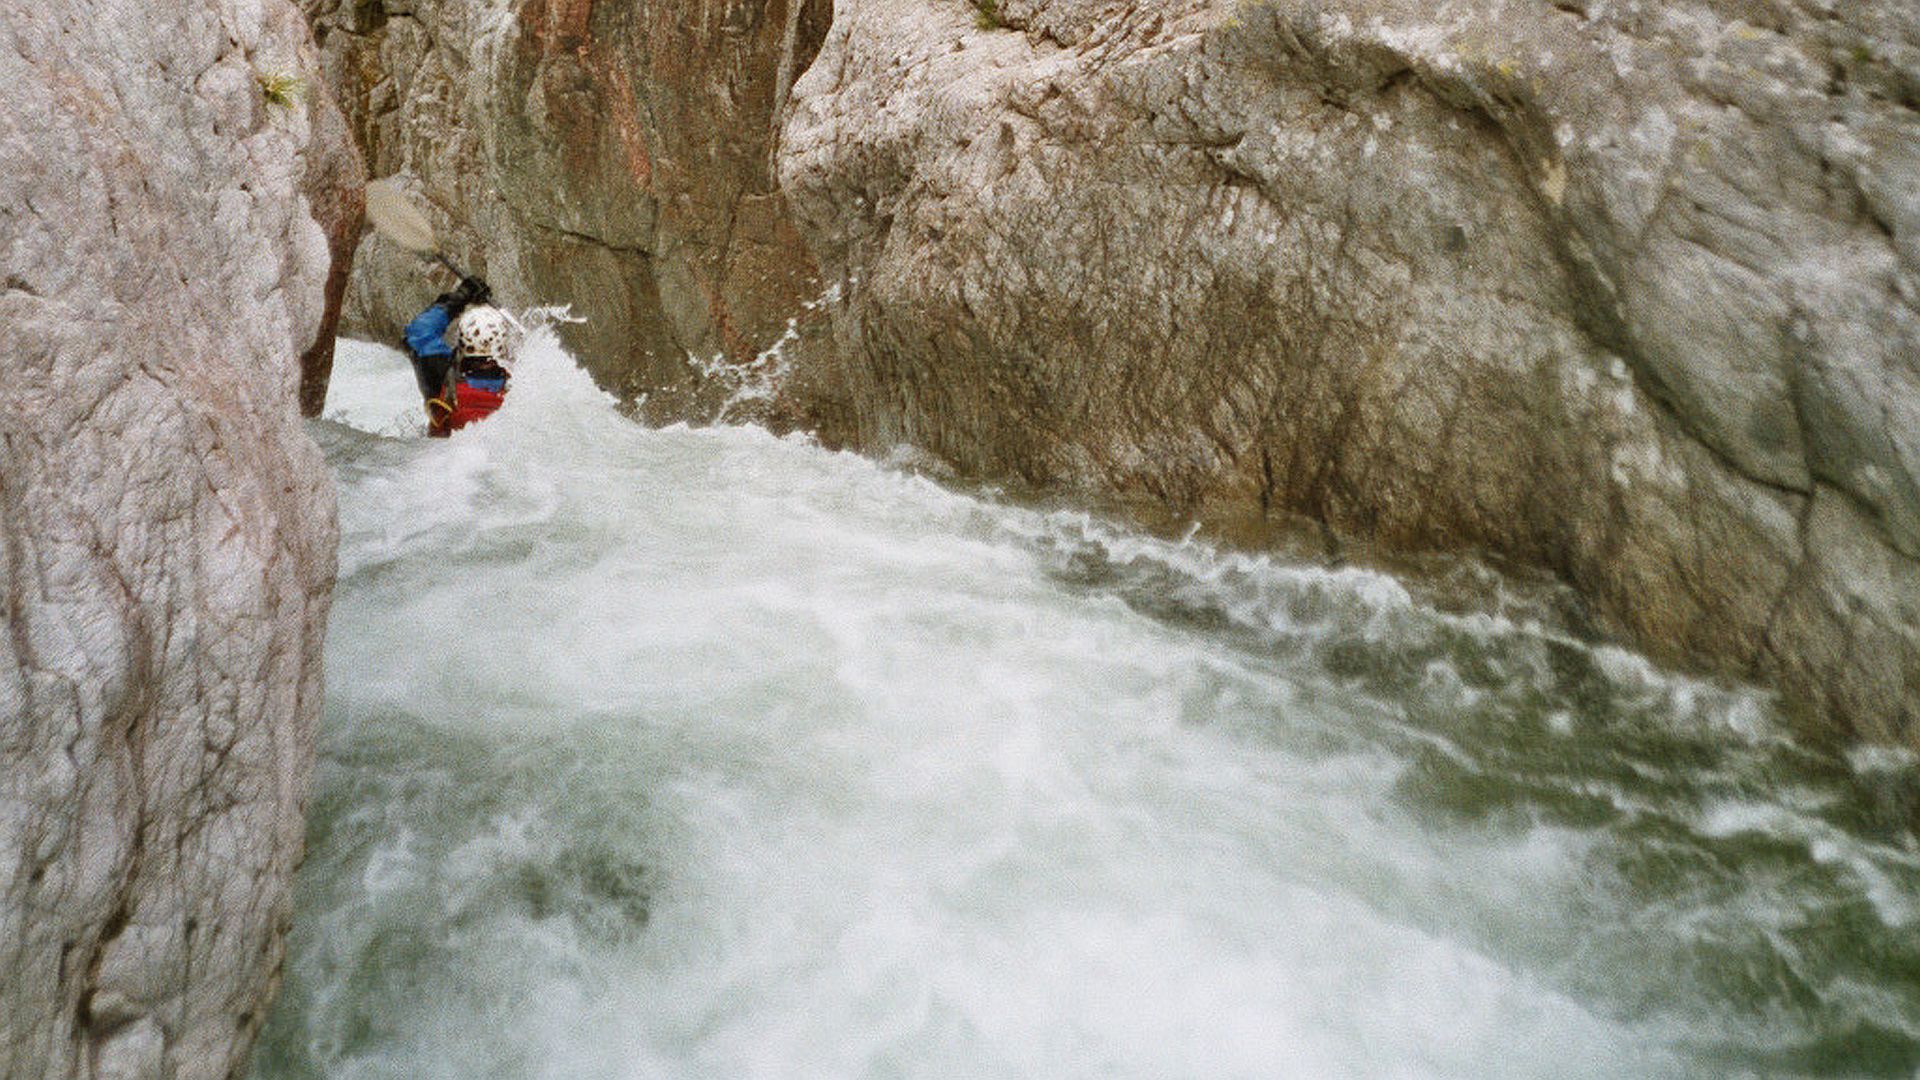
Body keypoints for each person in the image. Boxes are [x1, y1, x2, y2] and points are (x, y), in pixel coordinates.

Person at [402, 275, 514, 437]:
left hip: (440, 456)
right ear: (504, 346)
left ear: (462, 341)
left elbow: (419, 332)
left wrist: (460, 298)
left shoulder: (440, 375)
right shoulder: (521, 381)